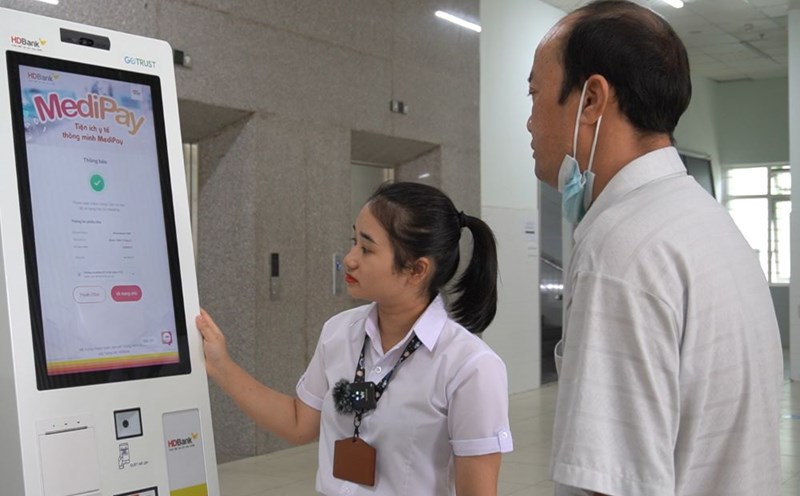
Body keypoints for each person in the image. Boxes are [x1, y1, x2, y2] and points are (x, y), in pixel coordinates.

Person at [525, 1, 783, 495]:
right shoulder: (705, 220)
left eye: (535, 92)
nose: (530, 121)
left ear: (593, 99)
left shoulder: (621, 251)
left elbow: (613, 482)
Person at [197, 181, 513, 495]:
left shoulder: (470, 367)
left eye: (366, 248)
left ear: (416, 270)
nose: (349, 259)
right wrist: (222, 366)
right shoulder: (338, 332)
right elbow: (298, 422)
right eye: (353, 241)